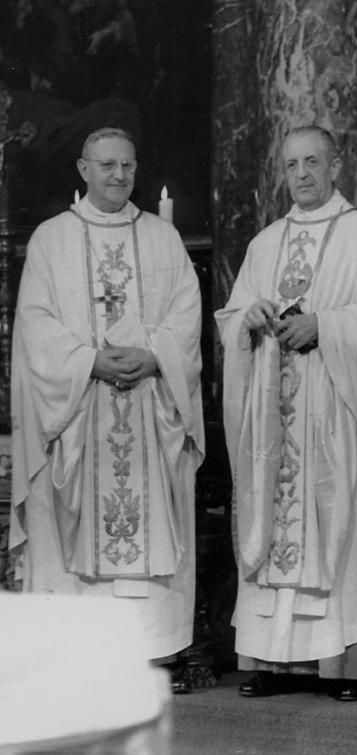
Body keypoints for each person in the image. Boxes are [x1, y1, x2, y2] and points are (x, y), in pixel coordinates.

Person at [216, 125, 357, 702]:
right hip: (274, 413)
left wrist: (325, 325)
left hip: (335, 408)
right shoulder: (265, 242)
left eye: (312, 162)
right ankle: (269, 662)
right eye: (292, 163)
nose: (301, 173)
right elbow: (232, 316)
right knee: (275, 524)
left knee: (339, 522)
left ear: (336, 166)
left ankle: (346, 665)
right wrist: (248, 320)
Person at [10, 126, 204, 693]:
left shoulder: (162, 240)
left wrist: (154, 356)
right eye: (107, 166)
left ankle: (149, 650)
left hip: (147, 406)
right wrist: (88, 362)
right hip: (81, 412)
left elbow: (187, 317)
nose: (119, 176)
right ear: (83, 169)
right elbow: (35, 327)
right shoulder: (52, 239)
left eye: (127, 166)